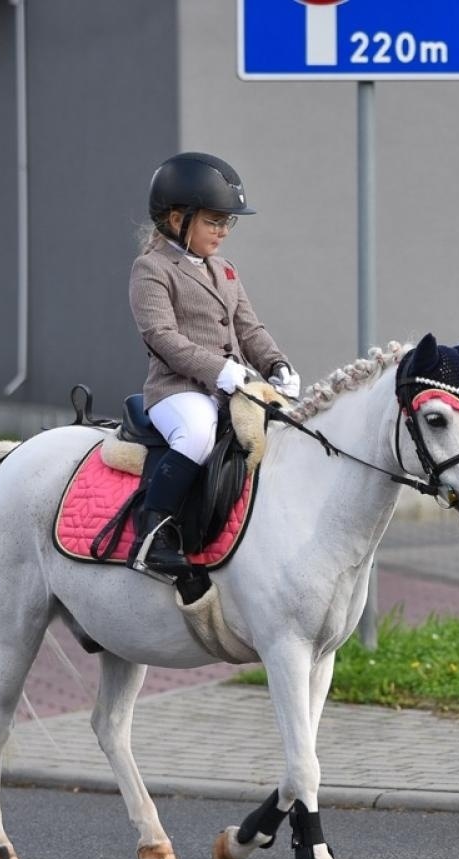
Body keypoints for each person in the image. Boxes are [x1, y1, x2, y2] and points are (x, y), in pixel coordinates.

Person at [127, 151, 300, 578]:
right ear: (175, 219)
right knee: (198, 436)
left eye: (227, 222)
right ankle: (153, 536)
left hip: (232, 388)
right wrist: (220, 371)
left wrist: (277, 364)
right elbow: (162, 337)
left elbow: (250, 329)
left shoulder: (224, 270)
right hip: (178, 391)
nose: (223, 231)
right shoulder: (151, 269)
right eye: (213, 221)